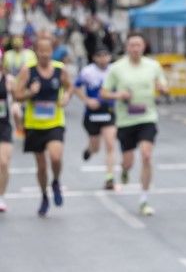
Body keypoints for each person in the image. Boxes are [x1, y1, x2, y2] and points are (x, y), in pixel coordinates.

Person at [104, 33, 170, 217]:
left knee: (146, 155)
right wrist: (119, 95)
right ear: (127, 47)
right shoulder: (117, 68)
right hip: (125, 120)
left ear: (143, 47)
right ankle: (124, 170)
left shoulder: (153, 66)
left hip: (147, 117)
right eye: (132, 45)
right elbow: (104, 92)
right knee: (128, 161)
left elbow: (163, 85)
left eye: (138, 45)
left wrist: (163, 89)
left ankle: (144, 199)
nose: (135, 48)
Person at [15, 33, 70, 217]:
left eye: (48, 51)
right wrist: (30, 92)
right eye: (41, 51)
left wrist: (65, 97)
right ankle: (44, 195)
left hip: (55, 122)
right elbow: (16, 94)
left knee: (55, 157)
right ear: (36, 52)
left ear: (52, 51)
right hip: (34, 124)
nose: (45, 54)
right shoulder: (27, 70)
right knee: (41, 166)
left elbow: (69, 87)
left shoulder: (60, 69)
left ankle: (55, 181)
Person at [76, 47, 118, 189]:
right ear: (94, 58)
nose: (103, 59)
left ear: (109, 57)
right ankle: (89, 149)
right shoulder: (87, 71)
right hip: (92, 113)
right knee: (96, 147)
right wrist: (87, 100)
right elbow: (76, 87)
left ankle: (109, 177)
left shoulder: (114, 70)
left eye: (105, 55)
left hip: (109, 111)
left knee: (110, 143)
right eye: (99, 56)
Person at [0, 56, 13, 215]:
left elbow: (17, 98)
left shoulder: (8, 79)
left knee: (3, 163)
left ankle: (1, 195)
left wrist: (16, 108)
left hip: (3, 125)